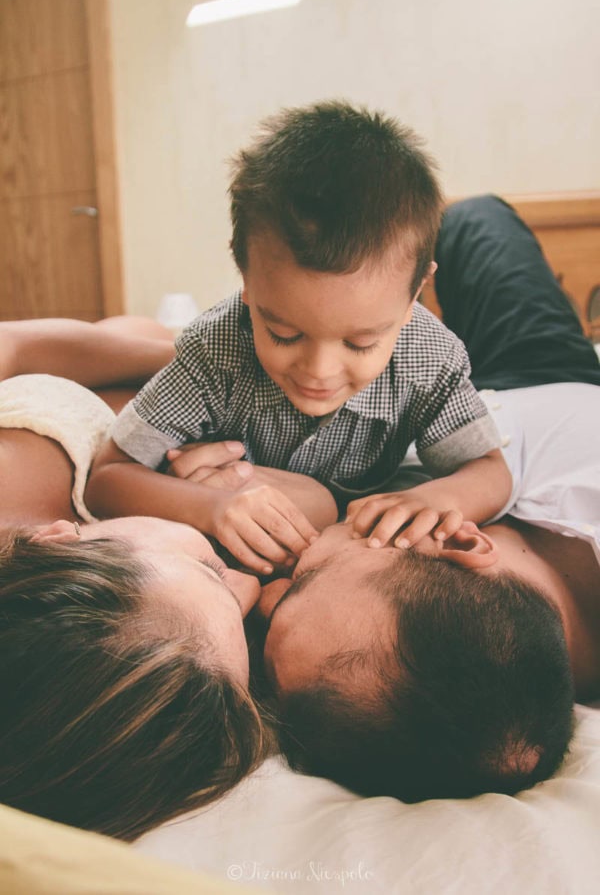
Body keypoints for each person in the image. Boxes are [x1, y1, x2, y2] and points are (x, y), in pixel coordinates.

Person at [258, 195, 600, 803]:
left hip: (425, 426)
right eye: (303, 577)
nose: (262, 590)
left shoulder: (376, 633)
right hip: (547, 382)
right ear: (460, 537)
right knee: (474, 218)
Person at [87, 101, 512, 576]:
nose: (319, 370)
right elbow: (107, 477)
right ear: (245, 276)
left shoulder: (428, 357)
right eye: (284, 333)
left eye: (360, 343)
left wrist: (435, 497)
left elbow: (491, 472)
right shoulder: (217, 348)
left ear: (416, 293)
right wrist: (207, 507)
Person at [0, 318, 326, 840]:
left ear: (59, 537)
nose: (253, 588)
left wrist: (217, 364)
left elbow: (12, 343)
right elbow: (322, 502)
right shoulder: (150, 633)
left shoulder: (16, 473)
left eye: (211, 570)